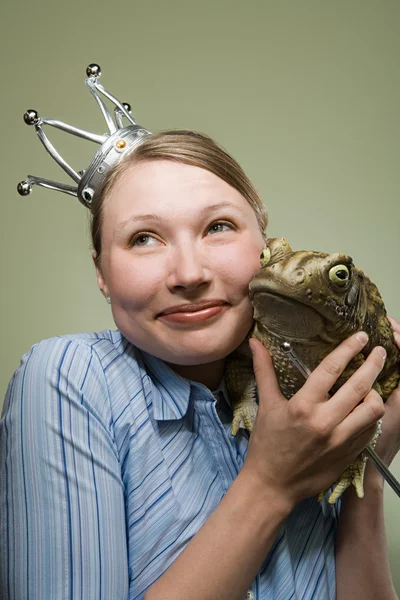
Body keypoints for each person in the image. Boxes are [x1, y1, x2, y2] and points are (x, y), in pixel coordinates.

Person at [1, 128, 400, 600]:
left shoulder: (309, 399)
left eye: (218, 227)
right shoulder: (71, 375)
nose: (189, 274)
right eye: (144, 238)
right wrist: (270, 484)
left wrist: (367, 465)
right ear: (101, 273)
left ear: (266, 249)